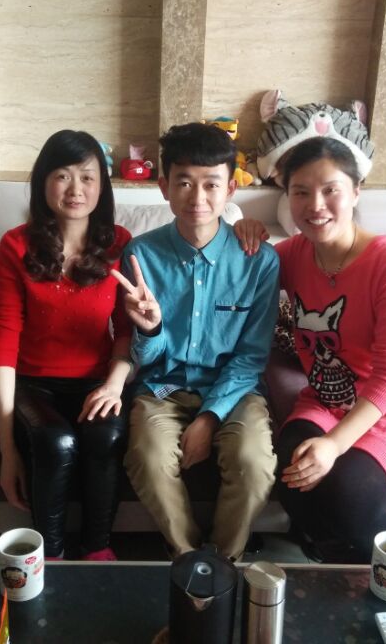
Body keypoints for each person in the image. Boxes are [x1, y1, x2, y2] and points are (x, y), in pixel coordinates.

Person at [110, 122, 280, 561]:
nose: (198, 197)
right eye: (184, 182)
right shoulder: (140, 256)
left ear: (230, 190)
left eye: (211, 184)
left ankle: (223, 563)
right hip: (161, 387)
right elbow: (142, 356)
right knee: (147, 457)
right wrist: (151, 329)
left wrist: (209, 417)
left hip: (233, 389)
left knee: (254, 461)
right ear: (164, 187)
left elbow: (251, 356)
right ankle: (188, 560)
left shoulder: (258, 260)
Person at [269, 136, 386, 563]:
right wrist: (242, 232)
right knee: (289, 469)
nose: (316, 205)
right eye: (301, 192)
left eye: (331, 190)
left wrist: (334, 444)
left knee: (348, 493)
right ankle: (332, 558)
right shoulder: (293, 254)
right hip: (327, 398)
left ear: (356, 191)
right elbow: (234, 271)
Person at [0, 129, 134, 561]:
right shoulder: (15, 246)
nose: (76, 190)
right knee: (55, 442)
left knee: (105, 437)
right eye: (62, 176)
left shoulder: (119, 244)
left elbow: (126, 332)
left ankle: (97, 549)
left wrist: (114, 385)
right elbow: (2, 346)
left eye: (87, 177)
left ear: (102, 187)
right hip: (33, 384)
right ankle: (48, 558)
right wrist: (7, 451)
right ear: (43, 183)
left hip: (97, 383)